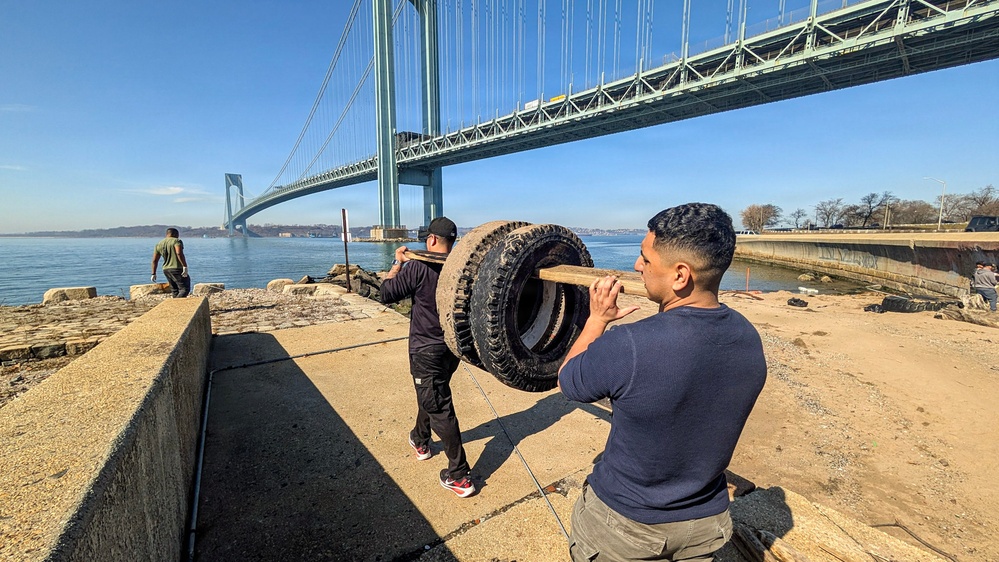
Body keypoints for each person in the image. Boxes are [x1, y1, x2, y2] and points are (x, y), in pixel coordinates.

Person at [558, 202, 768, 561]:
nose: (637, 266)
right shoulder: (748, 338)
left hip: (625, 527)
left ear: (680, 275)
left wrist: (597, 320)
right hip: (705, 526)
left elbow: (570, 380)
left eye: (645, 259)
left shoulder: (629, 345)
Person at [380, 216, 475, 498]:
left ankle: (459, 476)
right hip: (452, 348)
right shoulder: (463, 269)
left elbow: (386, 294)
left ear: (432, 240)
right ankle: (420, 439)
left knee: (440, 406)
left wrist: (398, 262)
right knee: (432, 394)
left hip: (425, 349)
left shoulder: (418, 266)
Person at [151, 228, 190, 298]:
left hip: (166, 269)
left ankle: (176, 307)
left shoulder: (159, 244)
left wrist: (153, 273)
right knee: (185, 289)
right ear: (176, 234)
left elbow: (154, 260)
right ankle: (175, 304)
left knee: (175, 290)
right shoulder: (176, 241)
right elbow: (179, 253)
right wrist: (185, 266)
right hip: (177, 268)